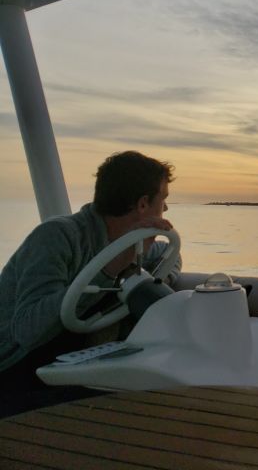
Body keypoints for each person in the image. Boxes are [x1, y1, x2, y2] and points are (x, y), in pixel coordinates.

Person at [0, 150, 182, 406]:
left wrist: (152, 280)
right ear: (142, 204)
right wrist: (111, 268)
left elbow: (169, 254)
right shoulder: (56, 238)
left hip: (69, 359)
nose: (164, 208)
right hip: (15, 368)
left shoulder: (133, 245)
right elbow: (27, 332)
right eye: (162, 199)